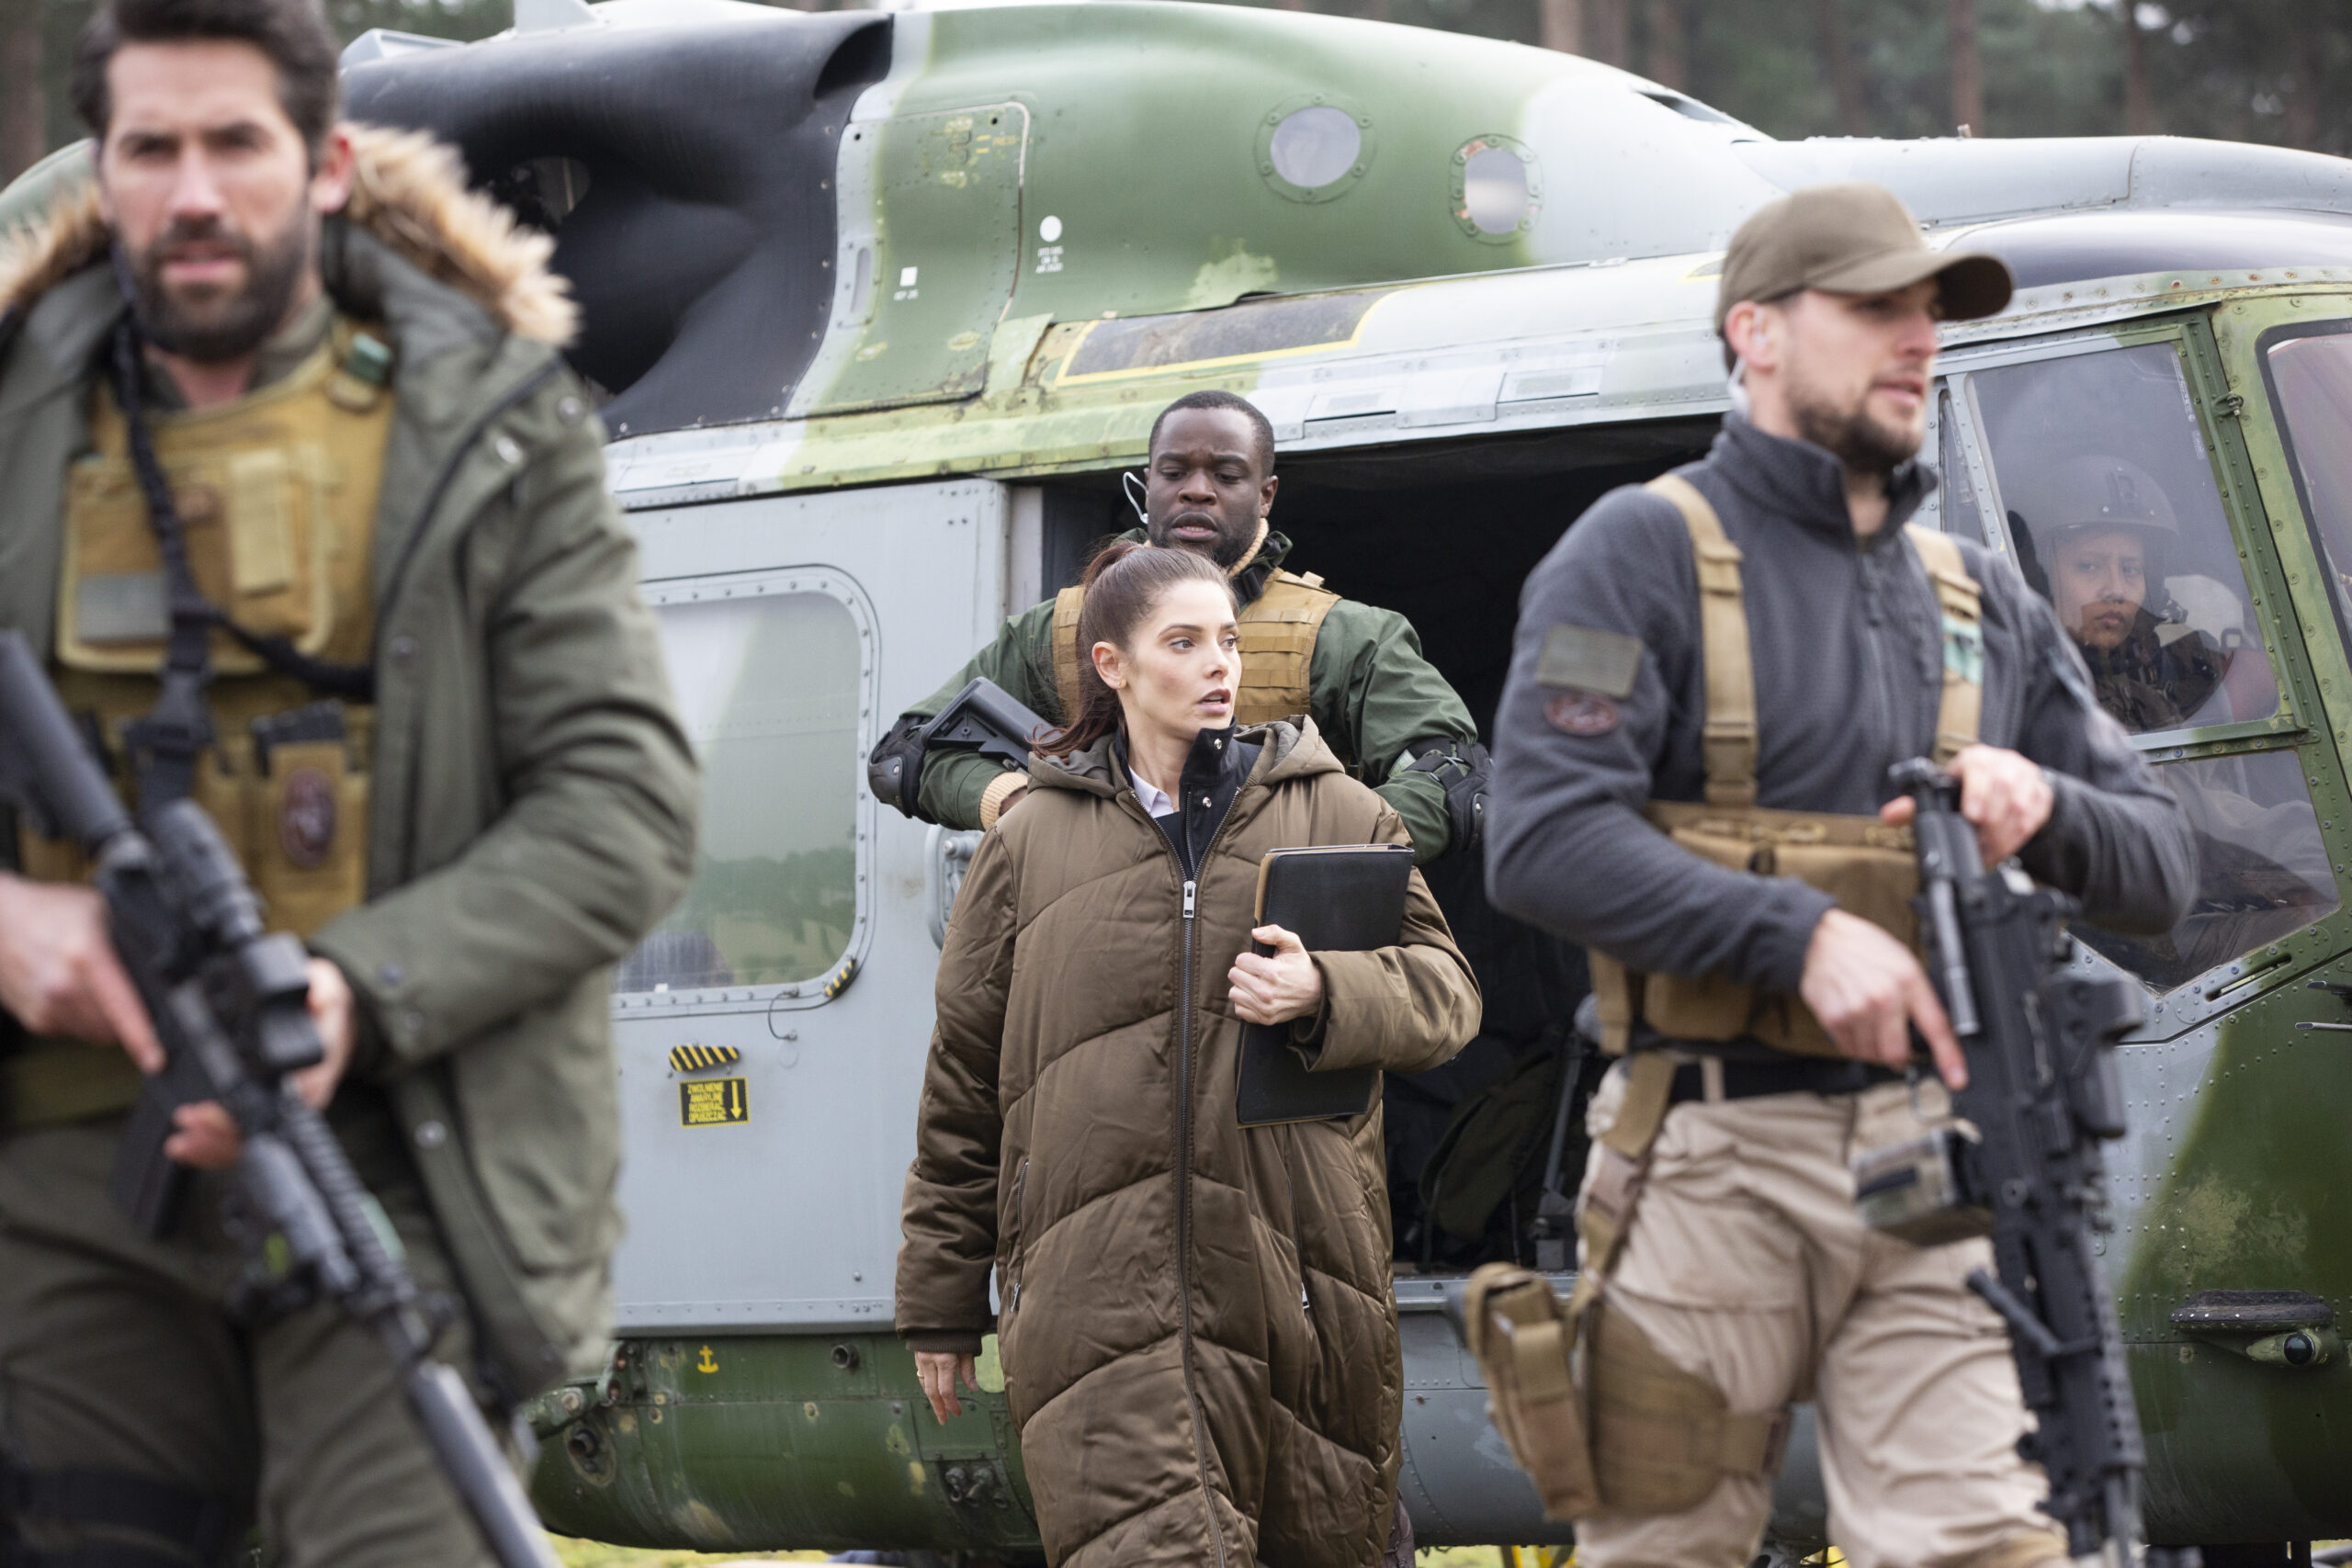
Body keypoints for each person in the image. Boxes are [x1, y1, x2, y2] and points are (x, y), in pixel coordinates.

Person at [0, 1, 698, 1563]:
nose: (192, 193)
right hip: (59, 1175)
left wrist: (354, 989)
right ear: (99, 171)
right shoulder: (17, 421)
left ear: (323, 164)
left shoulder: (488, 423)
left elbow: (625, 801)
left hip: (389, 1140)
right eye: (150, 148)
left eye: (235, 144)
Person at [1483, 182, 2194, 1566]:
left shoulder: (1977, 596)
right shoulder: (1637, 551)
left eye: (1927, 310)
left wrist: (2044, 800)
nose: (1917, 338)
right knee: (1662, 1550)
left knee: (1984, 1548)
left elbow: (2162, 867)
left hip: (1930, 1165)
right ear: (1754, 332)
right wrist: (1799, 934)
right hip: (1705, 1160)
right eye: (1874, 307)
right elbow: (1543, 834)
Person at [894, 542, 1481, 1568]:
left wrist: (1326, 990)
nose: (1219, 664)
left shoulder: (1338, 809)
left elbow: (1448, 996)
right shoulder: (1026, 842)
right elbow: (964, 1085)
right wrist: (940, 1303)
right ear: (1112, 666)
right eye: (1183, 642)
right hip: (1092, 1305)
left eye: (1228, 641)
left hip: (1304, 1295)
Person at [871, 389, 1487, 861]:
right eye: (1174, 473)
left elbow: (1457, 780)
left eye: (1226, 475)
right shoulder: (1063, 628)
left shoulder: (1344, 636)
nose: (1197, 491)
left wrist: (1308, 854)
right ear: (1147, 485)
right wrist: (1020, 806)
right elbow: (905, 756)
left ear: (1266, 494)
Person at [2011, 454, 2246, 734]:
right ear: (2039, 579)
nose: (2116, 589)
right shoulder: (2011, 688)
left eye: (2131, 569)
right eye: (2088, 566)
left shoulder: (2186, 671)